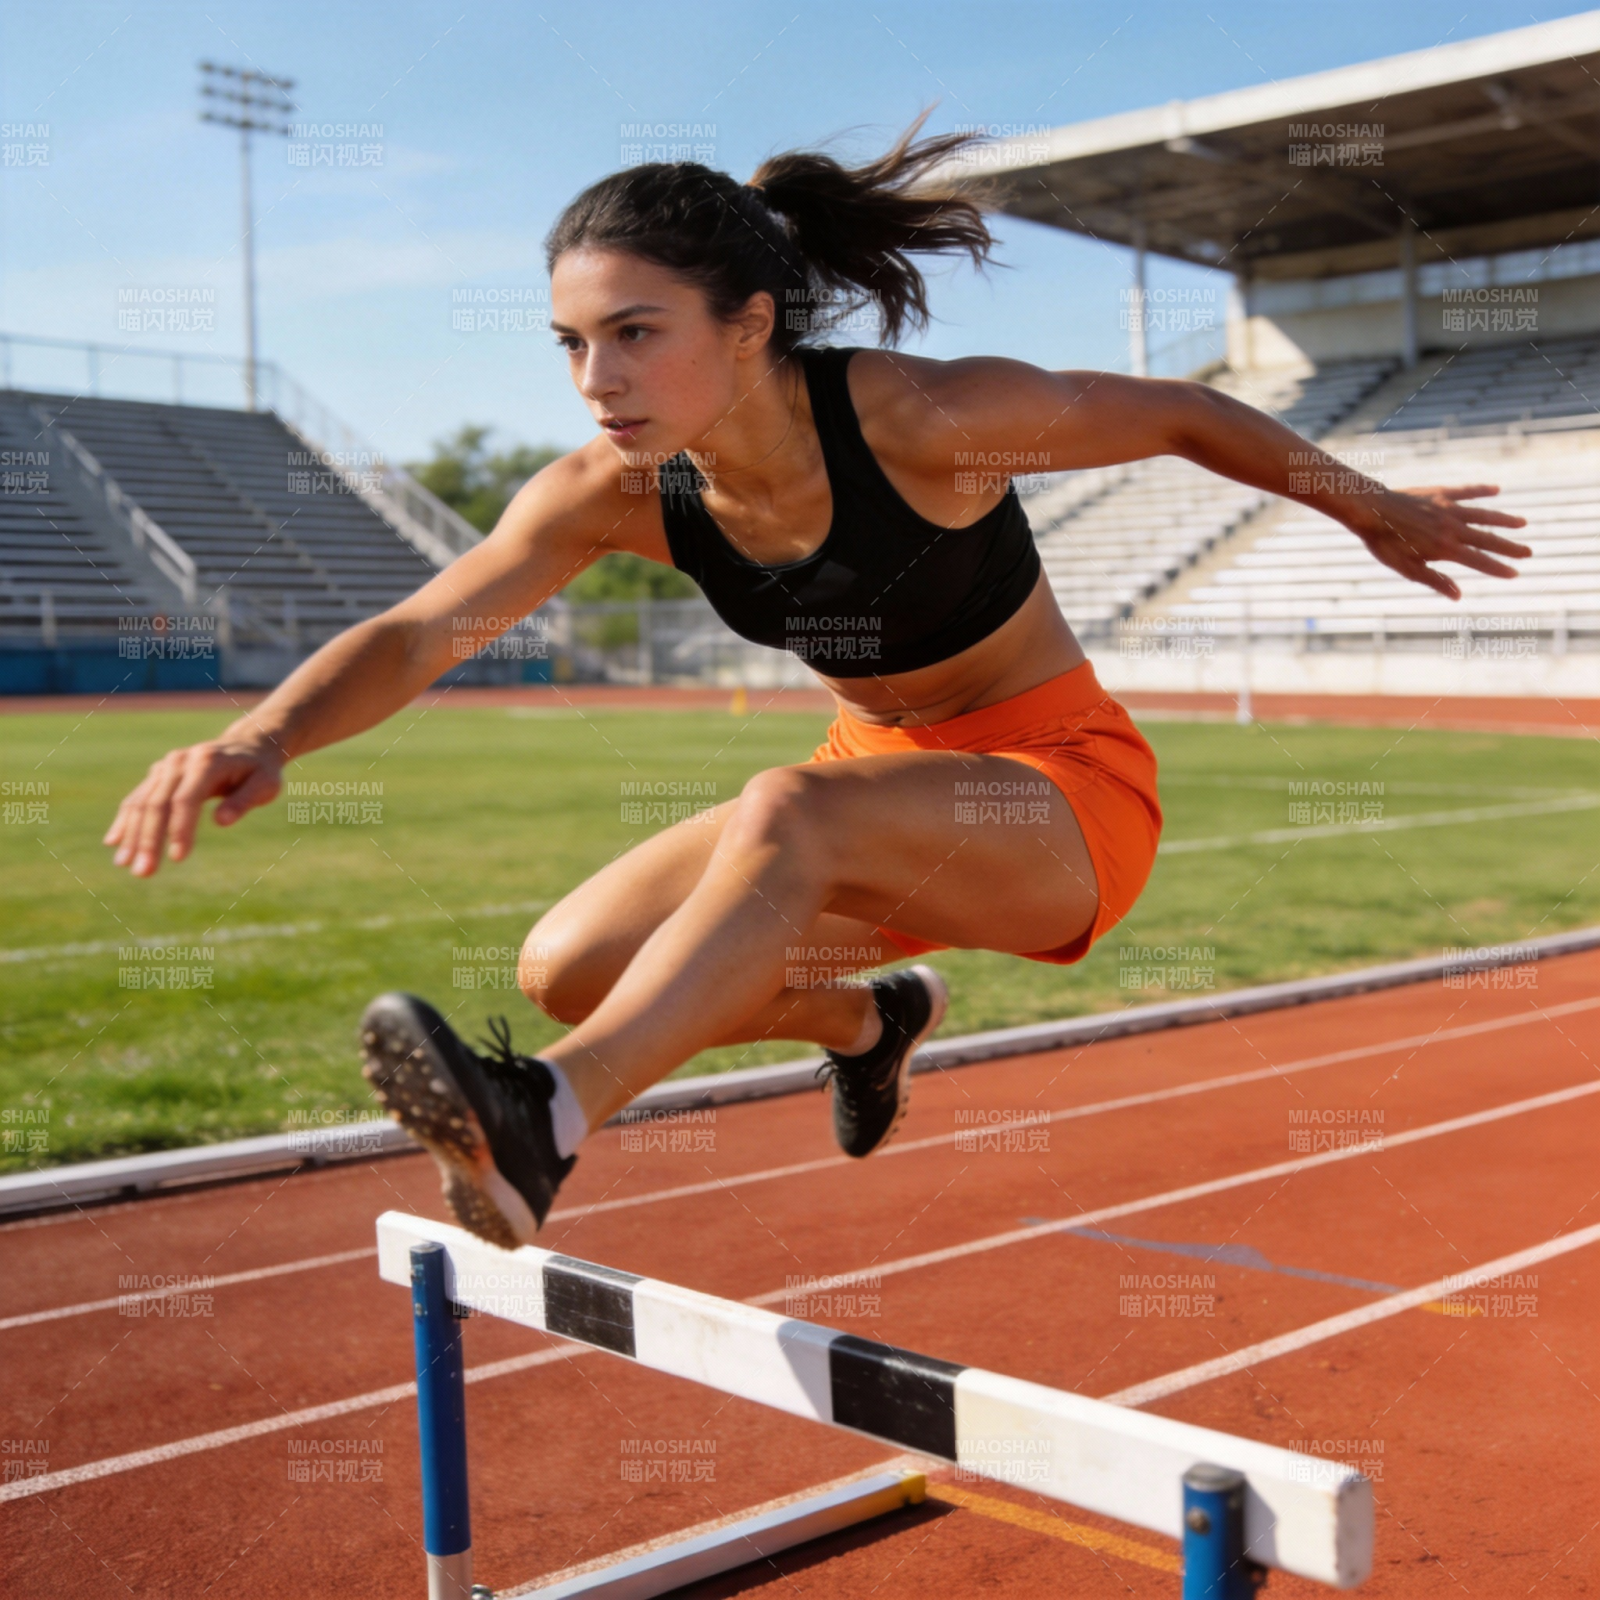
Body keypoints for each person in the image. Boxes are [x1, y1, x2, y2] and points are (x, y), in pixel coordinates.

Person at [103, 115, 1531, 1251]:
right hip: (868, 790)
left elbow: (1176, 409)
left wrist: (1374, 505)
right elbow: (425, 629)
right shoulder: (614, 491)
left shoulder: (924, 422)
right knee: (570, 967)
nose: (596, 377)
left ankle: (548, 1116)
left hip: (1058, 791)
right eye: (572, 343)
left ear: (749, 323)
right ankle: (871, 1021)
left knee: (783, 808)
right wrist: (268, 732)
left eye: (636, 332)